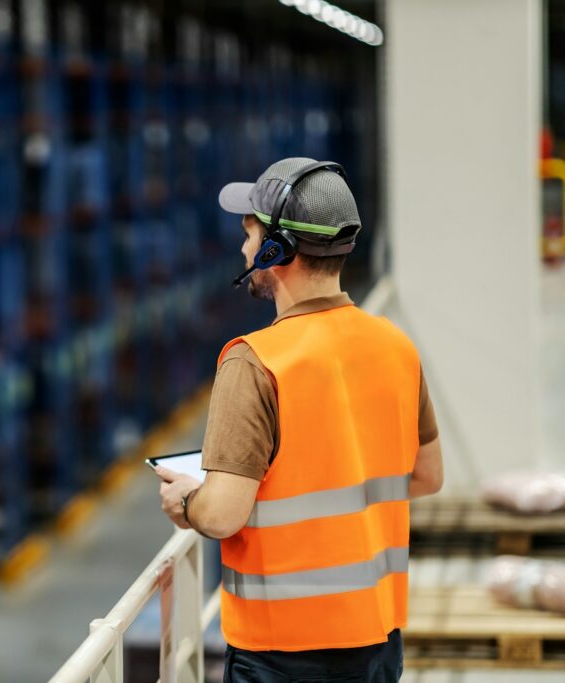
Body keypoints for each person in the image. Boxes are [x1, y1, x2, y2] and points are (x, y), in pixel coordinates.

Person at [156, 157, 443, 682]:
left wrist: (187, 500)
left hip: (281, 656)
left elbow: (221, 516)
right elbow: (426, 475)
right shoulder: (395, 346)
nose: (244, 250)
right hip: (377, 646)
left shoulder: (254, 361)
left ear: (276, 251)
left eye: (250, 235)